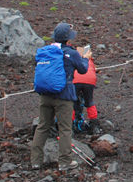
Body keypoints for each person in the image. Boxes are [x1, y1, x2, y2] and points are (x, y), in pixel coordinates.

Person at [30, 22, 90, 170]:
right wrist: (86, 58)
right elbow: (83, 70)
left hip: (45, 94)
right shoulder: (72, 53)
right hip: (64, 96)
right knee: (65, 128)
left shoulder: (46, 51)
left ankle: (36, 161)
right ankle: (65, 161)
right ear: (68, 39)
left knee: (43, 126)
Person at [72, 40, 99, 132]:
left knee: (71, 103)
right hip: (90, 81)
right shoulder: (90, 60)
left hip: (75, 80)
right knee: (89, 102)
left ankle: (70, 125)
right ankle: (94, 126)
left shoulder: (74, 58)